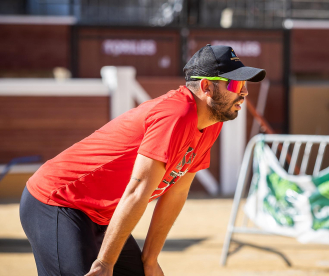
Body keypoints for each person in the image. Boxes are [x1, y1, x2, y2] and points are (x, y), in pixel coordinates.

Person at [19, 44, 266, 276]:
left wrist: (150, 259)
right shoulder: (177, 114)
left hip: (101, 214)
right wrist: (105, 263)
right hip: (58, 201)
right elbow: (138, 191)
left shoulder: (211, 123)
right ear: (206, 87)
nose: (244, 91)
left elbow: (176, 193)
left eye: (245, 84)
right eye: (235, 84)